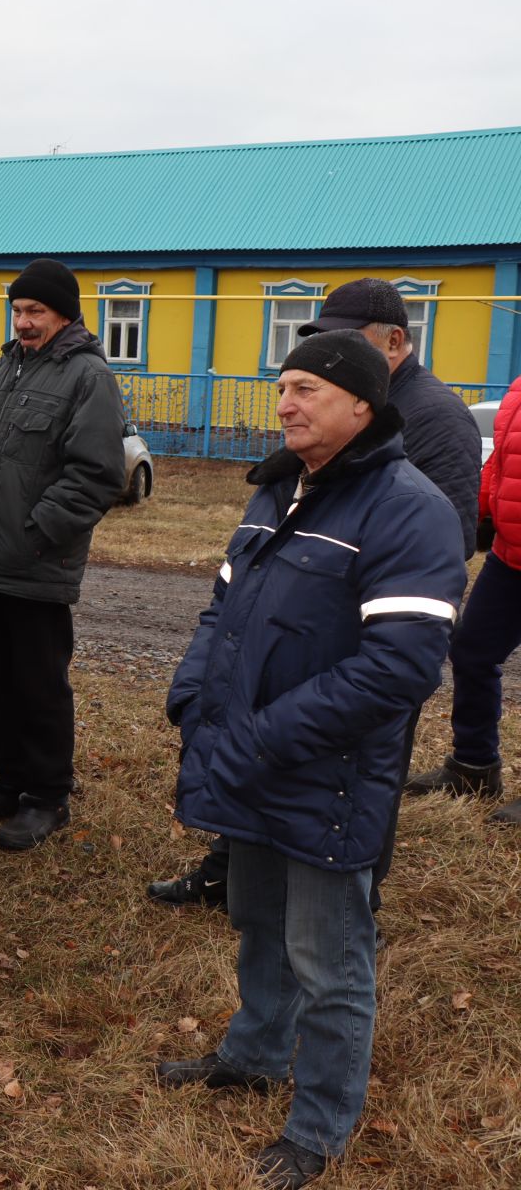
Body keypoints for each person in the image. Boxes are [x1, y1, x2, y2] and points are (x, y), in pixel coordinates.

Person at [155, 330, 465, 1190]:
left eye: (304, 389)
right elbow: (223, 610)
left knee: (329, 959)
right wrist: (193, 696)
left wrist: (263, 735)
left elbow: (399, 666)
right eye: (282, 387)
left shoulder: (409, 508)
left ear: (362, 404)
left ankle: (322, 1123)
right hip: (249, 757)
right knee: (257, 921)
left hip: (326, 774)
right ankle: (253, 1053)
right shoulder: (279, 490)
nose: (284, 403)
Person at [153, 277, 485, 907]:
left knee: (355, 782)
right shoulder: (288, 471)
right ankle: (235, 865)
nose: (288, 402)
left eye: (314, 378)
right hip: (294, 635)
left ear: (390, 346)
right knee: (262, 760)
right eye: (289, 382)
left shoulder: (435, 417)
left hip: (362, 632)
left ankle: (352, 901)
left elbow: (445, 537)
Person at [0, 259, 124, 851]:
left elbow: (97, 474)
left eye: (35, 312)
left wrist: (37, 530)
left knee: (38, 683)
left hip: (37, 560)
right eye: (17, 311)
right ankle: (9, 779)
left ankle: (47, 795)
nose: (23, 322)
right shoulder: (0, 370)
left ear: (63, 314)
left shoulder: (88, 376)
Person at [409, 373, 521, 826]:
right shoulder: (518, 387)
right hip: (510, 555)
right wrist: (481, 509)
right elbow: (502, 462)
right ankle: (474, 768)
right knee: (472, 651)